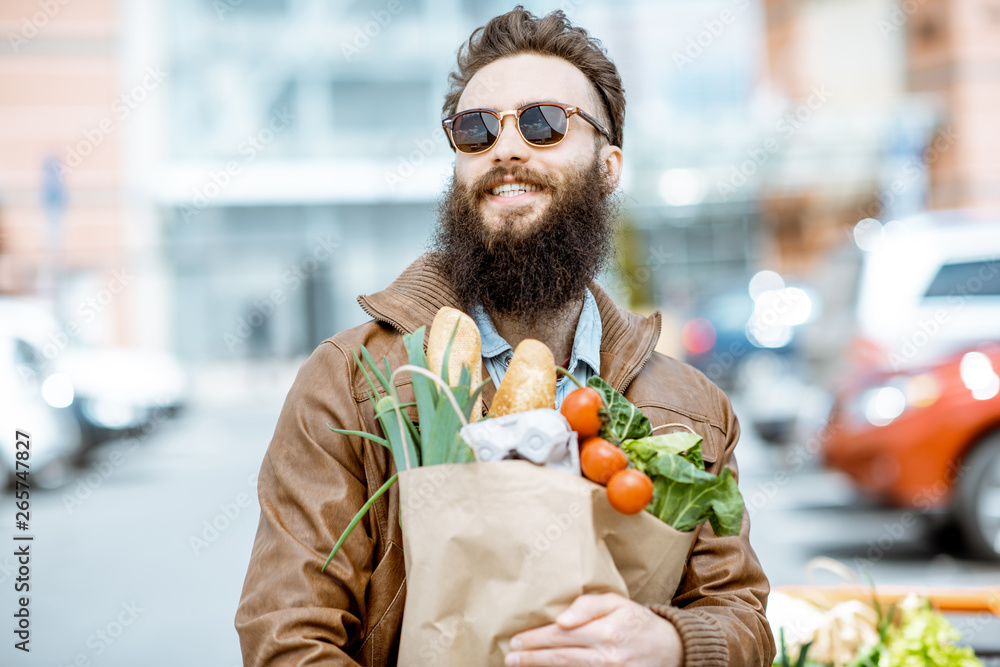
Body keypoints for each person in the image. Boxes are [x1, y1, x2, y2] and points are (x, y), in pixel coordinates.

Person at [236, 7, 775, 666]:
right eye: (476, 129)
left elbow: (742, 616)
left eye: (544, 123)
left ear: (609, 167)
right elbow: (287, 634)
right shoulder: (350, 381)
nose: (507, 148)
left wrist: (671, 640)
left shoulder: (691, 410)